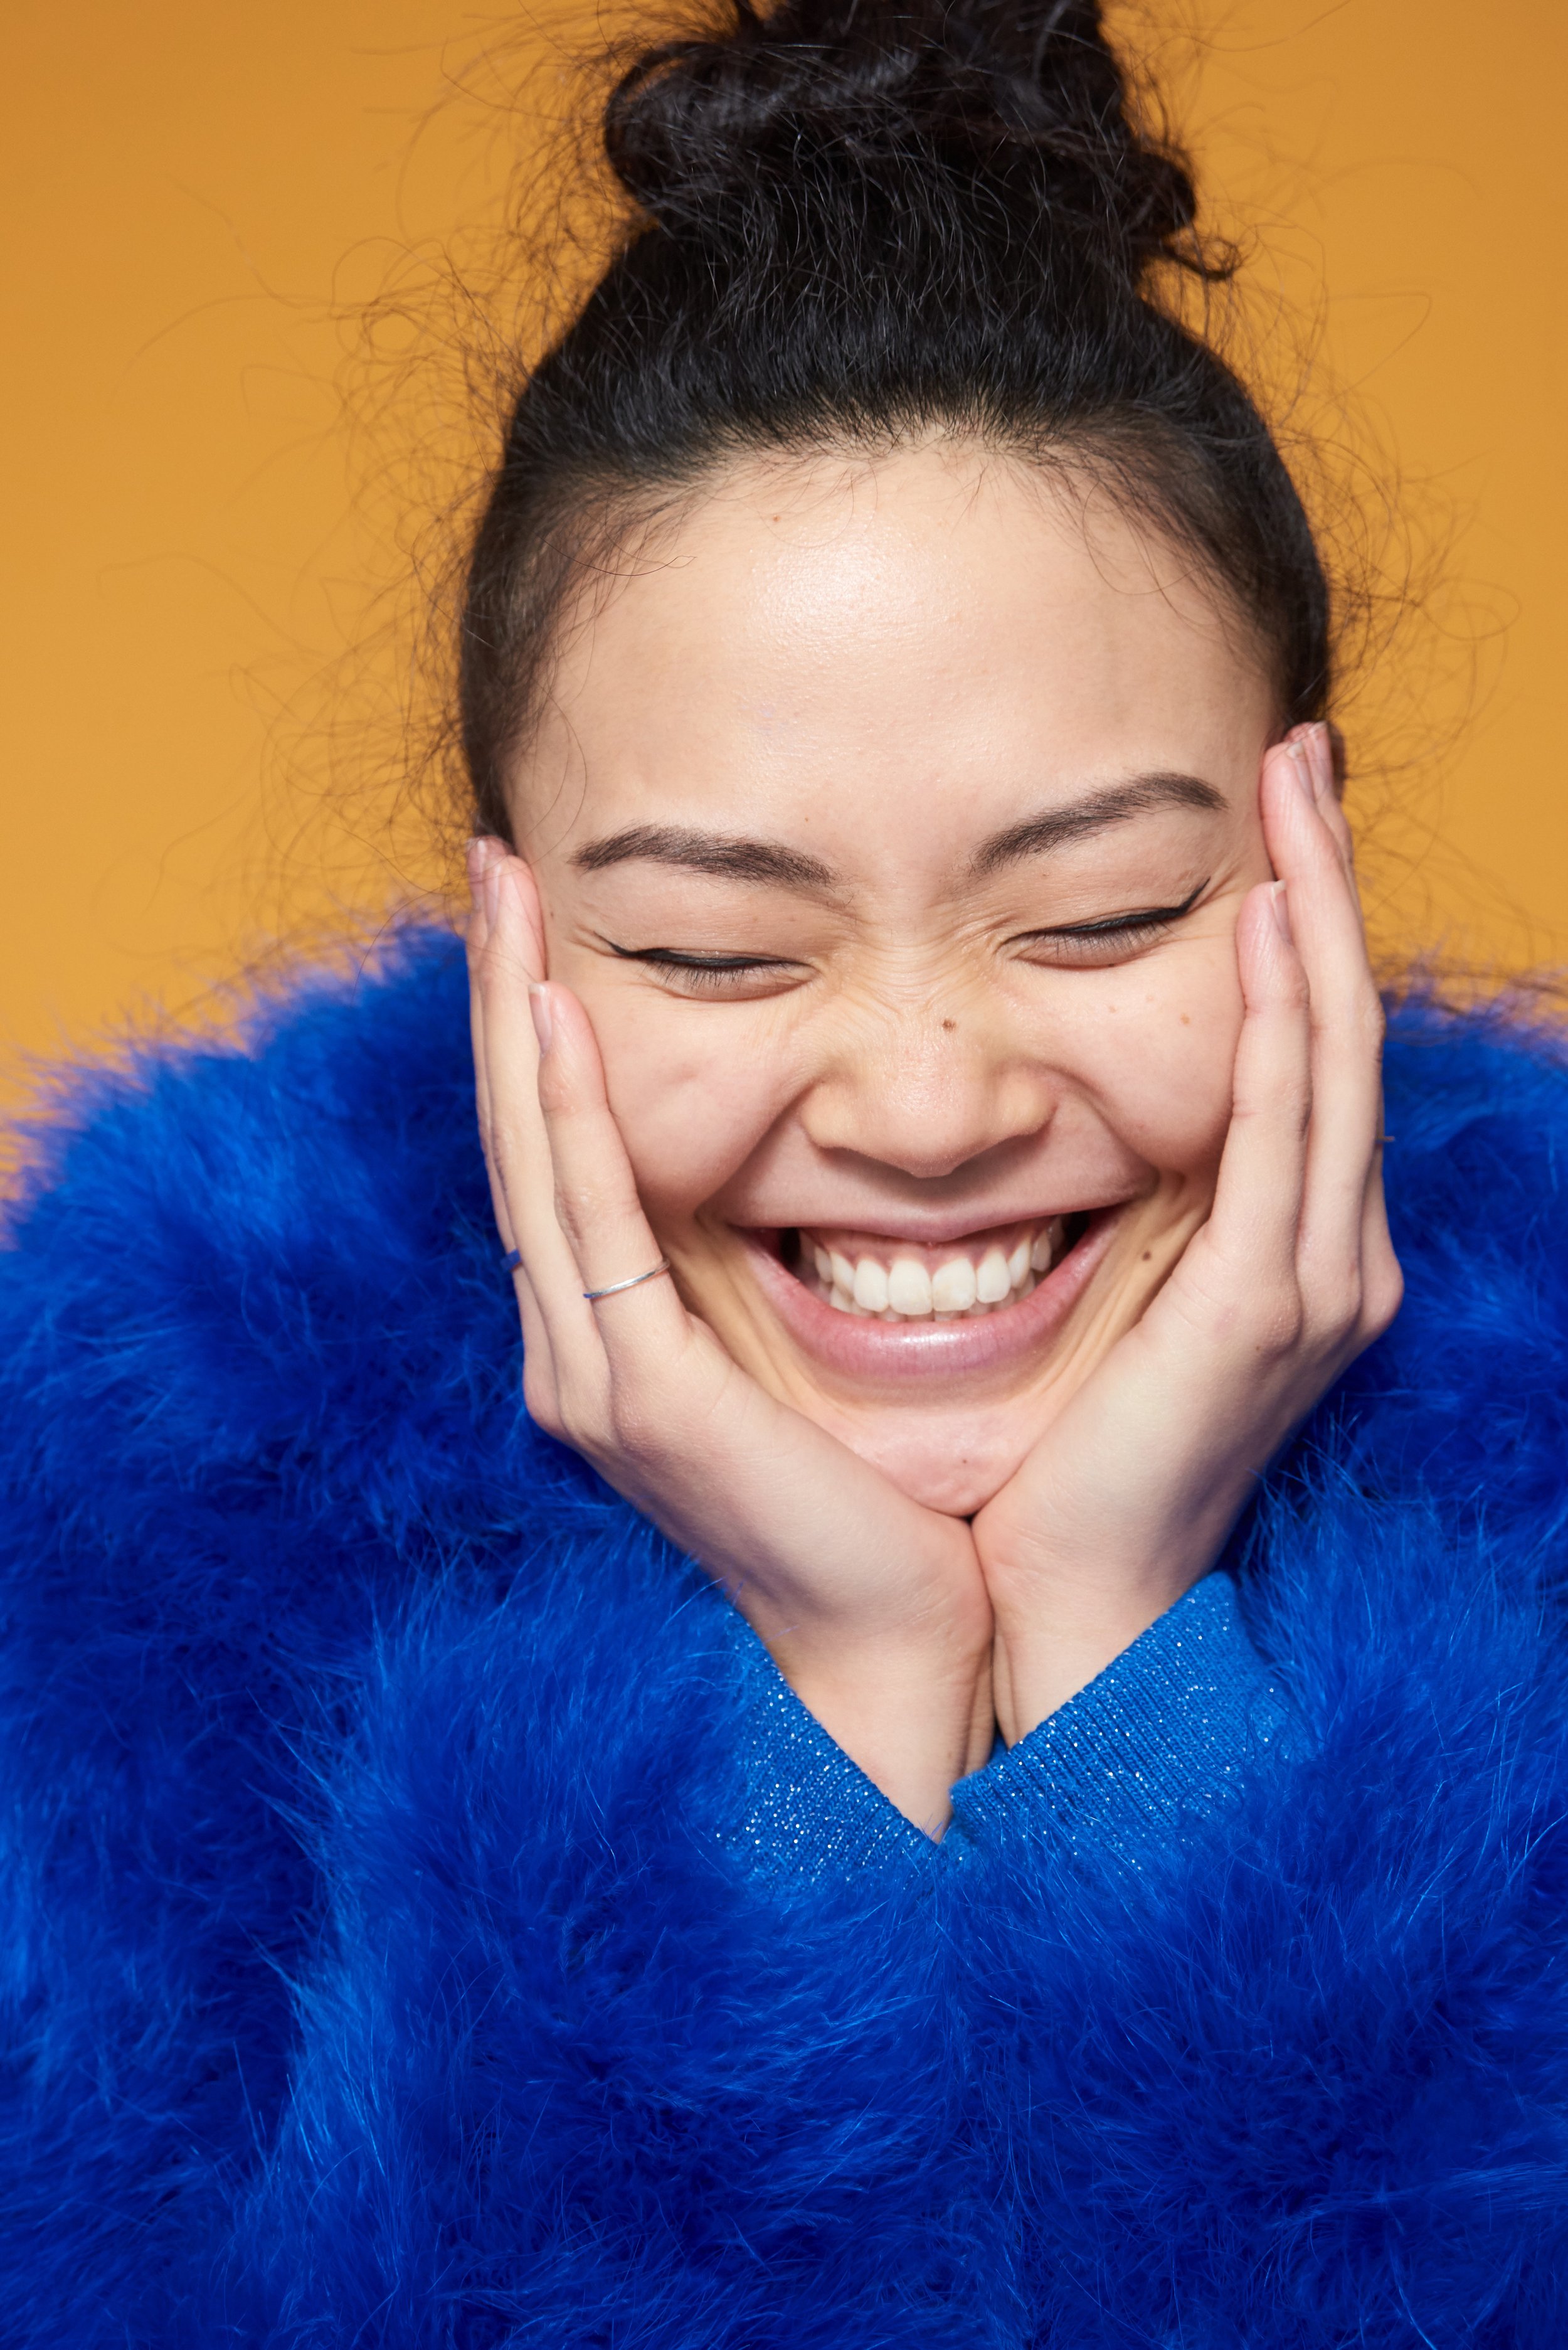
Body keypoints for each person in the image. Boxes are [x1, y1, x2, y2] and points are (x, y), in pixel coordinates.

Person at [3, 1, 1566, 2341]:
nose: (924, 1106)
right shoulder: (118, 1535)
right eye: (716, 946)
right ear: (509, 934)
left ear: (1298, 867)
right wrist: (829, 1722)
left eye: (1101, 913)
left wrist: (1136, 1695)